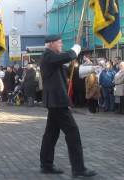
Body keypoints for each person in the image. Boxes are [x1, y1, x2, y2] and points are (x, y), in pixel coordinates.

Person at [39, 35, 96, 177]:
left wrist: (87, 69)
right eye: (59, 42)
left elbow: (69, 71)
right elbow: (66, 57)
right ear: (51, 44)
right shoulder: (48, 55)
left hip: (55, 101)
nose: (61, 44)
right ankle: (78, 169)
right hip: (57, 102)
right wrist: (75, 50)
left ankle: (46, 164)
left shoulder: (52, 58)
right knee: (73, 133)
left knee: (51, 134)